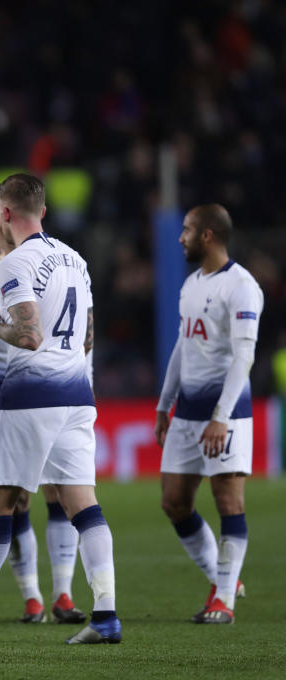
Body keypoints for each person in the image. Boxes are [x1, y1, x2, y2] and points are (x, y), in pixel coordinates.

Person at [0, 173, 121, 645]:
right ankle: (106, 614)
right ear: (44, 211)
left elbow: (29, 336)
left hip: (30, 395)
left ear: (4, 214)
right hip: (77, 394)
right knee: (82, 504)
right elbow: (88, 335)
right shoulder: (76, 259)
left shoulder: (14, 263)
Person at [154, 204, 262, 624]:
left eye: (186, 230)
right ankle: (224, 578)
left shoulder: (242, 287)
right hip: (187, 414)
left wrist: (221, 415)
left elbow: (244, 355)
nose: (179, 237)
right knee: (174, 502)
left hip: (227, 414)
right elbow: (183, 348)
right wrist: (165, 404)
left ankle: (223, 601)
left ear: (207, 236)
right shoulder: (190, 285)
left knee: (228, 501)